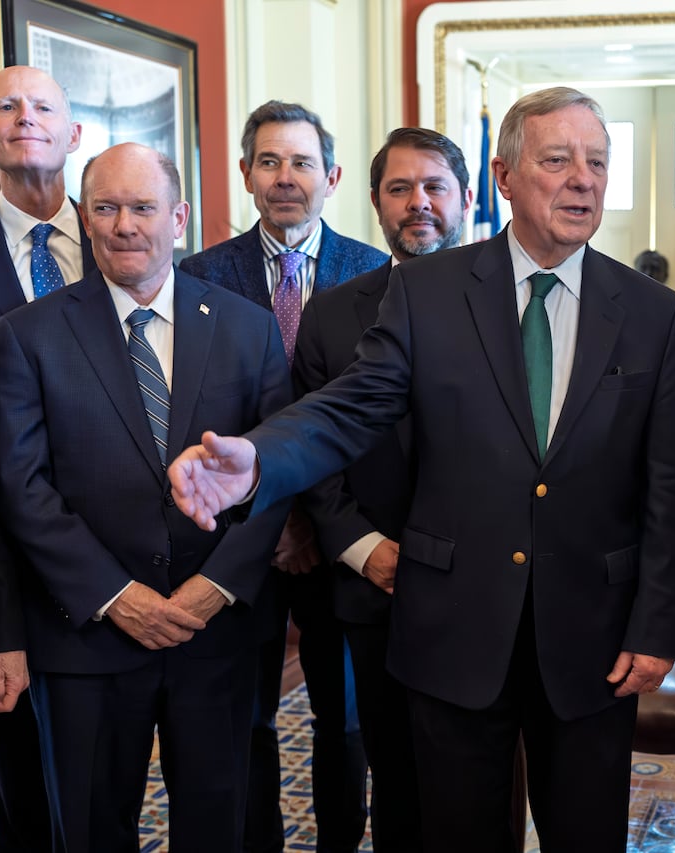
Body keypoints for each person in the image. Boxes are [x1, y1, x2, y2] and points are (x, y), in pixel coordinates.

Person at [168, 86, 675, 853]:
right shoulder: (429, 292)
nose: (583, 179)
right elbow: (349, 408)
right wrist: (260, 462)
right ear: (505, 176)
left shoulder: (653, 311)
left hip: (594, 635)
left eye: (597, 162)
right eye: (558, 160)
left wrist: (658, 626)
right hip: (454, 627)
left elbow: (671, 484)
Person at [0, 142, 291, 852]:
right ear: (84, 219)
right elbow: (21, 485)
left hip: (213, 632)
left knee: (219, 826)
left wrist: (213, 588)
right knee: (89, 827)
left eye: (143, 207)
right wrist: (117, 594)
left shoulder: (249, 329)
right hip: (87, 634)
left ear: (178, 216)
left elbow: (276, 476)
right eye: (106, 207)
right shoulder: (28, 334)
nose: (125, 225)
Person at [179, 99, 386, 853]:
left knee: (345, 719)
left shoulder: (376, 274)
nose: (285, 178)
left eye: (302, 162)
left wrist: (311, 518)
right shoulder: (200, 275)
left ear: (330, 175)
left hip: (340, 537)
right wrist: (271, 521)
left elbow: (372, 420)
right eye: (269, 162)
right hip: (242, 543)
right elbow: (198, 408)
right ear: (245, 174)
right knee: (249, 718)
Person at [292, 126, 472, 850]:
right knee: (394, 774)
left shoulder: (516, 305)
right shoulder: (331, 313)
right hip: (376, 583)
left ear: (465, 198)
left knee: (475, 779)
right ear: (373, 201)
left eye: (434, 186)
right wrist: (362, 547)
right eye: (400, 188)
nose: (418, 202)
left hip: (483, 587)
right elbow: (313, 444)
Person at [0, 64, 96, 853]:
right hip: (1, 563)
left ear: (75, 133)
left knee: (109, 786)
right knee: (23, 784)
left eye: (43, 105)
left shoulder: (134, 232)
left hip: (120, 555)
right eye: (6, 106)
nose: (26, 117)